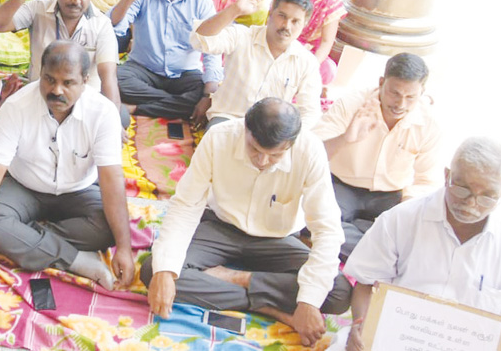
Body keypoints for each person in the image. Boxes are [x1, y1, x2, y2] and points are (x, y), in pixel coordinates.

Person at [143, 99, 351, 347]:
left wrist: (308, 303)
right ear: (246, 130)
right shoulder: (219, 138)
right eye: (255, 149)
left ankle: (237, 279)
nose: (262, 161)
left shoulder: (310, 151)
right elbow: (186, 206)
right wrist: (166, 271)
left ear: (291, 144)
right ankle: (270, 307)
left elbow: (327, 230)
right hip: (221, 229)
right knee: (154, 271)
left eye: (274, 155)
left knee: (338, 293)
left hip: (276, 240)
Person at [0, 41, 134, 291]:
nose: (56, 90)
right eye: (49, 79)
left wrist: (123, 248)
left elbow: (112, 182)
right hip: (24, 187)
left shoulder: (103, 113)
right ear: (40, 73)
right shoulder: (16, 107)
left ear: (85, 80)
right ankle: (78, 260)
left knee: (109, 231)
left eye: (68, 83)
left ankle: (17, 237)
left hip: (78, 189)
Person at [344, 137, 501, 350]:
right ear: (447, 176)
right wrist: (362, 326)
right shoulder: (400, 219)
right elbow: (367, 282)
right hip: (397, 339)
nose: (472, 203)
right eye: (463, 190)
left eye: (487, 197)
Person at [312, 52, 441, 259]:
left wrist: (405, 209)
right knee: (317, 219)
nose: (401, 104)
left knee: (413, 239)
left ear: (422, 92)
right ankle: (376, 251)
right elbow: (311, 153)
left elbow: (427, 180)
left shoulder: (429, 123)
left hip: (391, 195)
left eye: (410, 97)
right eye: (394, 93)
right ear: (381, 83)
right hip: (341, 186)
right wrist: (346, 138)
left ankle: (360, 244)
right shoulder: (353, 104)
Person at [110, 0, 223, 122]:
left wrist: (207, 95)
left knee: (208, 94)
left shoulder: (202, 3)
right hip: (142, 69)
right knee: (114, 79)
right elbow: (116, 28)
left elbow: (213, 51)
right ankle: (176, 105)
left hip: (185, 74)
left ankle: (137, 107)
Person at [0, 0, 119, 107]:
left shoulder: (102, 24)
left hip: (84, 102)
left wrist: (113, 120)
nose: (76, 1)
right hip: (41, 96)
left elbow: (108, 76)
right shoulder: (38, 8)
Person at [191, 0, 320, 130]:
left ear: (304, 25)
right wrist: (235, 9)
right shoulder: (242, 36)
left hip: (270, 130)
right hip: (228, 120)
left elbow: (310, 111)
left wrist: (290, 139)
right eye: (282, 16)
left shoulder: (306, 62)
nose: (286, 26)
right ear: (270, 14)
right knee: (217, 144)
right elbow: (200, 40)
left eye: (295, 21)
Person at [277, 0, 346, 85]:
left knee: (328, 70)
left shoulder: (329, 1)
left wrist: (310, 66)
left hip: (310, 53)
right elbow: (272, 24)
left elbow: (326, 42)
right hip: (283, 43)